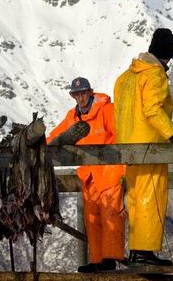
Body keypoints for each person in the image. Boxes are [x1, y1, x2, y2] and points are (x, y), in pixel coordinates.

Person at [113, 28, 173, 266]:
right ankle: (145, 252)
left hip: (129, 149)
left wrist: (122, 145)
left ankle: (136, 251)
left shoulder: (125, 77)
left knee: (136, 200)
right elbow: (153, 109)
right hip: (151, 147)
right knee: (152, 198)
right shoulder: (154, 75)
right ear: (168, 55)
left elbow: (118, 113)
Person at [47, 77, 126, 273]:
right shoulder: (72, 117)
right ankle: (97, 260)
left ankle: (110, 259)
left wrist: (122, 166)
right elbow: (55, 136)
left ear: (90, 92)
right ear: (72, 96)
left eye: (83, 93)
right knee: (91, 219)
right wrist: (39, 145)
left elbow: (123, 135)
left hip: (109, 172)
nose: (80, 97)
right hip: (88, 177)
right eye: (76, 94)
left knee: (111, 216)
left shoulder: (107, 110)